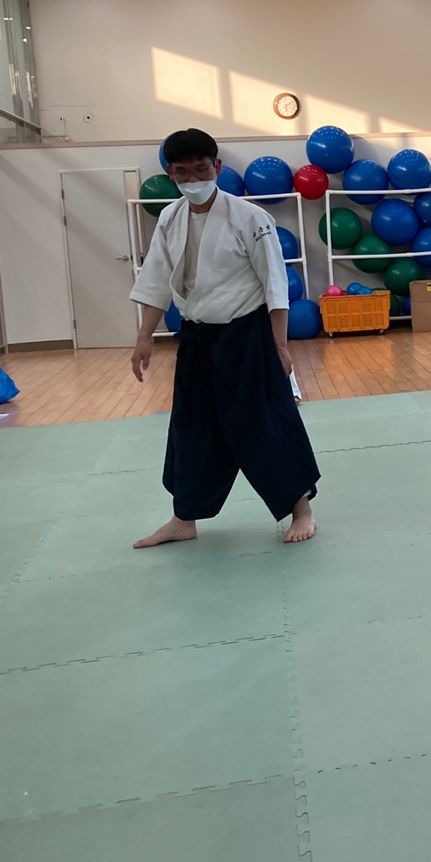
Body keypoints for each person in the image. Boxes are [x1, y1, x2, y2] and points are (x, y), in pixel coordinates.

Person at [128, 128, 320, 548]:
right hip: (197, 337)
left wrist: (280, 346)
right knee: (191, 426)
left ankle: (301, 509)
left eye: (201, 170)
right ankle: (184, 518)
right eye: (183, 173)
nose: (193, 180)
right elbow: (156, 278)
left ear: (217, 166)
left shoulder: (251, 217)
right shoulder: (170, 218)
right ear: (170, 173)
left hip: (247, 336)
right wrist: (144, 337)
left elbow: (275, 285)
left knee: (264, 422)